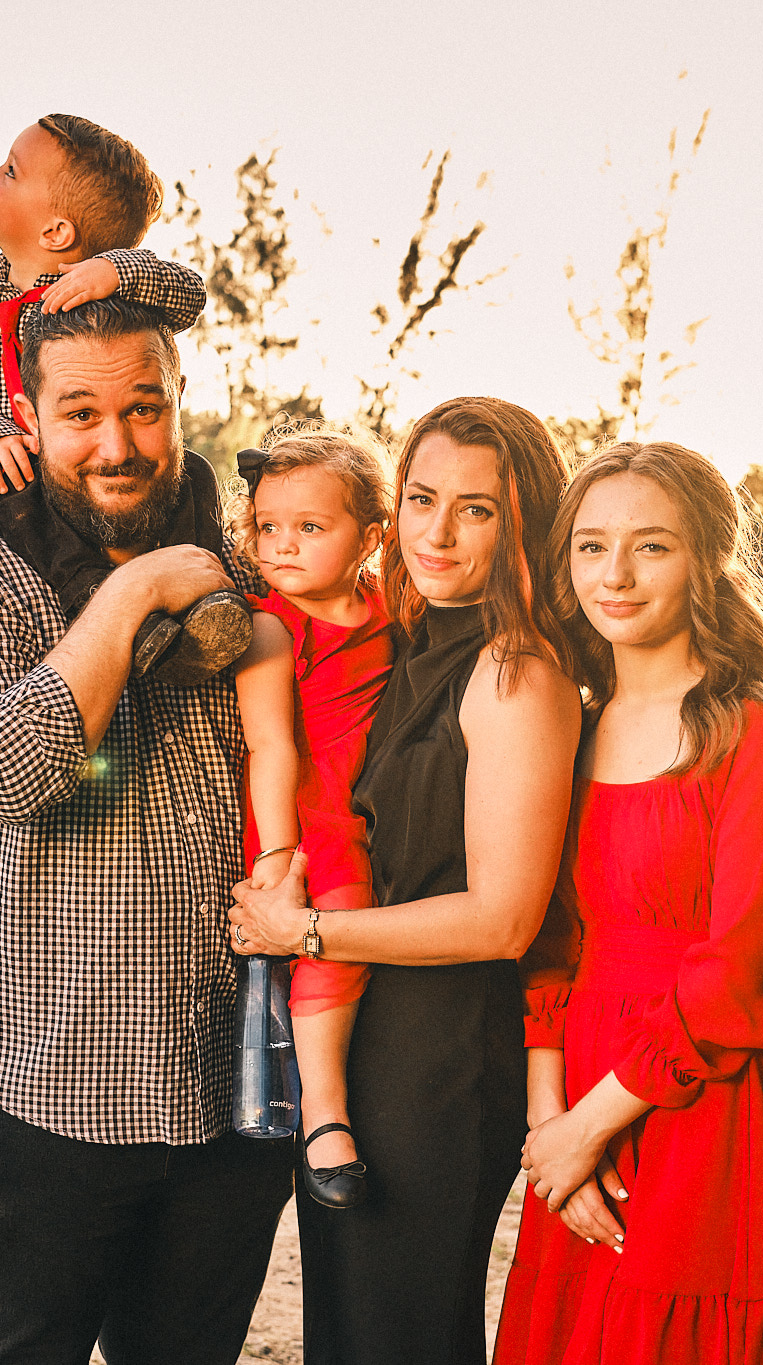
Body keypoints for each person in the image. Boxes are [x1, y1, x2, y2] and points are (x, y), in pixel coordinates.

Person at [0, 297, 289, 1365]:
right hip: (34, 1089)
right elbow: (9, 774)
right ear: (25, 417)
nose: (118, 445)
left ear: (180, 404)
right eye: (81, 414)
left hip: (223, 1090)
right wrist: (134, 594)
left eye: (144, 409)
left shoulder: (240, 577)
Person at [228, 397, 584, 1365]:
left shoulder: (515, 673)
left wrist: (303, 933)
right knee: (350, 1326)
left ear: (522, 523)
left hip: (443, 1057)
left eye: (474, 509)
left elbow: (503, 919)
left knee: (402, 1332)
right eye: (421, 497)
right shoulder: (409, 640)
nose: (435, 530)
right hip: (369, 1036)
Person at [491, 441, 763, 1365]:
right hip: (582, 1088)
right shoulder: (568, 720)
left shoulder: (755, 731)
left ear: (706, 560)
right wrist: (548, 1133)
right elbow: (548, 945)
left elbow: (736, 975)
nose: (616, 574)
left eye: (651, 547)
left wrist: (590, 1123)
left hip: (704, 1103)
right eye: (591, 546)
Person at [0, 114, 244, 684]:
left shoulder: (118, 286)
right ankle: (113, 608)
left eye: (11, 172)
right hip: (19, 473)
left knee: (191, 474)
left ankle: (206, 598)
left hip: (121, 495)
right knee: (25, 514)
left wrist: (114, 269)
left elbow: (190, 293)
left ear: (56, 233)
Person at [224, 425, 395, 1205]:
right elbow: (269, 744)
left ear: (370, 538)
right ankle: (324, 1113)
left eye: (310, 528)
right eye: (267, 527)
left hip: (370, 793)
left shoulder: (389, 608)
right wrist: (279, 857)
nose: (281, 546)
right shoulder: (269, 624)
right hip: (304, 809)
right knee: (342, 906)